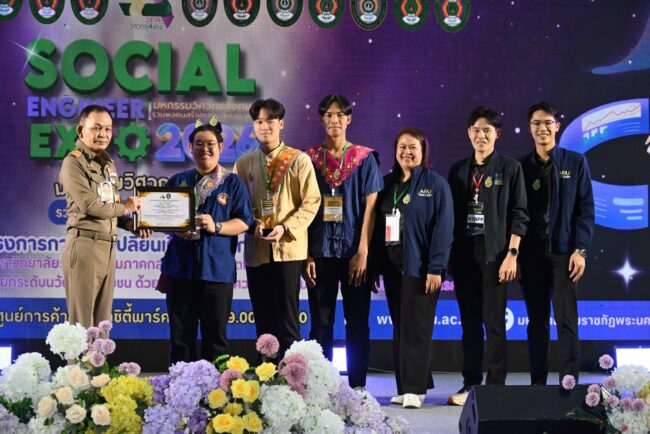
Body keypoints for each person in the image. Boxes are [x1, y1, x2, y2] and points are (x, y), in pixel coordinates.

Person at [447, 107, 528, 406]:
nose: (481, 135)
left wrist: (512, 254)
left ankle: (495, 386)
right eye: (476, 130)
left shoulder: (510, 168)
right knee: (469, 323)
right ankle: (470, 383)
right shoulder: (458, 170)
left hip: (495, 253)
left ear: (497, 134)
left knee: (494, 322)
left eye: (487, 130)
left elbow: (520, 214)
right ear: (469, 133)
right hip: (464, 253)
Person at [303, 94, 383, 389]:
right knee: (320, 323)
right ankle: (320, 386)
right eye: (328, 115)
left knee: (357, 322)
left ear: (349, 119)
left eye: (340, 115)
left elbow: (371, 208)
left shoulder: (364, 158)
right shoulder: (309, 158)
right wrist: (307, 254)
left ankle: (358, 386)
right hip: (320, 252)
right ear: (321, 119)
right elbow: (302, 207)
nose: (334, 120)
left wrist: (363, 251)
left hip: (354, 253)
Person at [161, 118, 253, 363]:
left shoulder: (232, 182)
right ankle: (180, 385)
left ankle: (217, 387)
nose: (205, 149)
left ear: (221, 147)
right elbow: (161, 218)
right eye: (199, 144)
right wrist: (177, 230)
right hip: (180, 270)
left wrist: (217, 226)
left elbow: (245, 220)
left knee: (216, 339)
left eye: (211, 143)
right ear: (190, 148)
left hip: (217, 271)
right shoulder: (178, 181)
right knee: (181, 338)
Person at [233, 99, 321, 357]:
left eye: (270, 121)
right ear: (253, 127)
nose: (265, 127)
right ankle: (266, 372)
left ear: (281, 124)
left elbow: (312, 201)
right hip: (257, 250)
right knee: (263, 319)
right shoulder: (244, 163)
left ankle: (291, 374)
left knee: (288, 320)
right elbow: (238, 205)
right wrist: (252, 224)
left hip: (288, 250)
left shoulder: (299, 160)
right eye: (259, 122)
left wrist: (286, 227)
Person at [373, 127, 453, 408]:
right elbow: (376, 230)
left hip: (421, 269)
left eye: (413, 147)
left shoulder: (436, 184)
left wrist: (436, 268)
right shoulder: (387, 184)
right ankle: (406, 385)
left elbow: (443, 229)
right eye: (402, 147)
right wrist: (375, 268)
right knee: (401, 328)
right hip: (393, 268)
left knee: (417, 329)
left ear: (423, 151)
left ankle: (415, 390)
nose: (407, 152)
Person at [519, 102, 594, 385]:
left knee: (566, 321)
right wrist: (515, 256)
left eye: (547, 123)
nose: (542, 128)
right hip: (531, 256)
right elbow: (516, 214)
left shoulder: (575, 162)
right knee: (536, 322)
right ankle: (537, 385)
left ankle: (568, 383)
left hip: (565, 254)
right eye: (536, 123)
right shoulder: (521, 167)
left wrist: (580, 250)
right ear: (530, 128)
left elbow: (586, 210)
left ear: (557, 126)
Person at [60, 104, 148, 328]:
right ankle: (79, 355)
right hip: (85, 246)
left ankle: (100, 355)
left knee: (102, 324)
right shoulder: (73, 162)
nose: (103, 134)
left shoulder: (107, 163)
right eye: (97, 128)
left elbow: (110, 205)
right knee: (81, 325)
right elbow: (90, 205)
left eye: (108, 129)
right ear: (81, 130)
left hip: (108, 247)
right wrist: (126, 208)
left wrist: (129, 224)